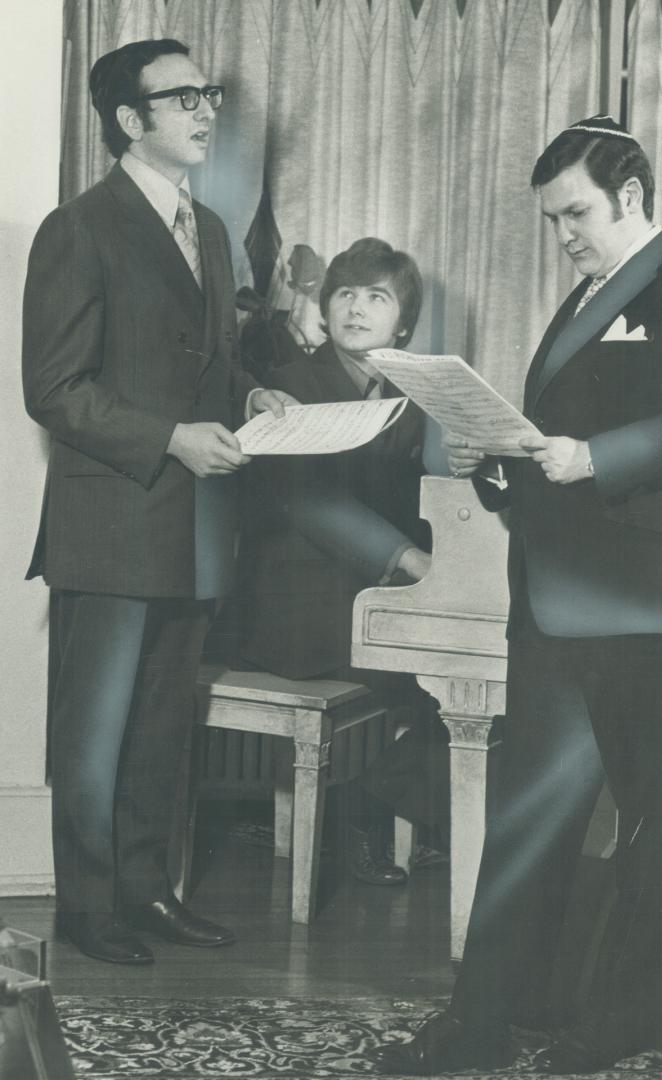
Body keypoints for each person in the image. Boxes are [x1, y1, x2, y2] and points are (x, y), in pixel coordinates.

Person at [373, 115, 662, 1074]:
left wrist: (592, 456)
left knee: (658, 823)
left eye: (575, 212)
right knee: (525, 822)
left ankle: (609, 1029)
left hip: (657, 607)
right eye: (551, 220)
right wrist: (492, 459)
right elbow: (554, 451)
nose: (565, 233)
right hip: (558, 602)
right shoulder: (584, 299)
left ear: (630, 195)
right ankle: (478, 1021)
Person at [22, 39, 292, 966]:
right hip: (112, 521)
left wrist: (252, 396)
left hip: (193, 528)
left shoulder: (209, 229)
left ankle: (146, 894)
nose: (204, 109)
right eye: (180, 98)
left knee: (161, 729)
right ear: (129, 122)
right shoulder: (79, 228)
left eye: (206, 93)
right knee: (93, 736)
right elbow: (54, 389)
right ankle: (86, 911)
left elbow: (207, 366)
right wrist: (174, 438)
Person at [213, 238, 449, 884]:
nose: (354, 308)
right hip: (291, 610)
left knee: (469, 674)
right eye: (343, 293)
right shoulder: (291, 386)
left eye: (376, 296)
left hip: (360, 598)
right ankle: (376, 809)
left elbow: (414, 496)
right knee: (444, 678)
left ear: (401, 321)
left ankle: (371, 798)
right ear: (324, 305)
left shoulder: (404, 393)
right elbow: (306, 503)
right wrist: (411, 561)